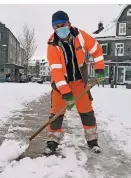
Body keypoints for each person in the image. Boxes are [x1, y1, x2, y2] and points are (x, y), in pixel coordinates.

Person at [44, 10, 105, 155]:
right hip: (60, 85)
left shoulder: (81, 36)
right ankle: (52, 142)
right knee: (56, 114)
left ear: (69, 23)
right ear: (53, 28)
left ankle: (92, 142)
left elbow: (97, 50)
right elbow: (57, 72)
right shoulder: (52, 45)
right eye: (56, 26)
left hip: (79, 82)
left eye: (62, 25)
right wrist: (66, 94)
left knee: (87, 112)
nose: (60, 28)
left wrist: (100, 70)